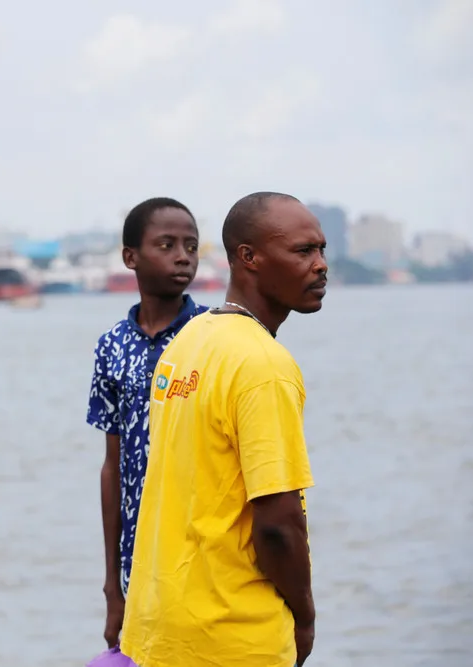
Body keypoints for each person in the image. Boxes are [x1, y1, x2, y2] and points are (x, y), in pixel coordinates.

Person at [120, 192, 327, 667]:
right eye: (302, 251)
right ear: (248, 257)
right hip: (231, 636)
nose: (319, 266)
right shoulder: (264, 365)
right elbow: (277, 523)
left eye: (321, 251)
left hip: (158, 625)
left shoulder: (189, 340)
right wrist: (306, 616)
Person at [86, 197, 207, 648]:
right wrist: (111, 586)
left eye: (191, 246)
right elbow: (112, 466)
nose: (183, 256)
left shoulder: (211, 335)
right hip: (137, 556)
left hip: (202, 546)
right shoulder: (111, 346)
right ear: (130, 257)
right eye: (167, 244)